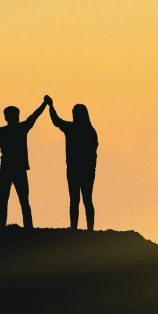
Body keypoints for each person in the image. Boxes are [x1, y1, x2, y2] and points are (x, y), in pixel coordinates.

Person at [0, 100, 47, 227]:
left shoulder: (2, 132)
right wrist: (44, 104)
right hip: (16, 169)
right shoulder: (20, 129)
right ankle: (26, 229)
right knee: (21, 202)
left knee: (7, 201)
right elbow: (34, 116)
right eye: (16, 115)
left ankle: (2, 228)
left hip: (8, 169)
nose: (18, 117)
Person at [47, 96, 98, 230]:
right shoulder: (91, 132)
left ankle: (74, 229)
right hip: (86, 171)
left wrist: (51, 106)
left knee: (75, 201)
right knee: (86, 200)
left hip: (74, 170)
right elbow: (93, 155)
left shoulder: (71, 128)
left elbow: (56, 121)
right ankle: (89, 230)